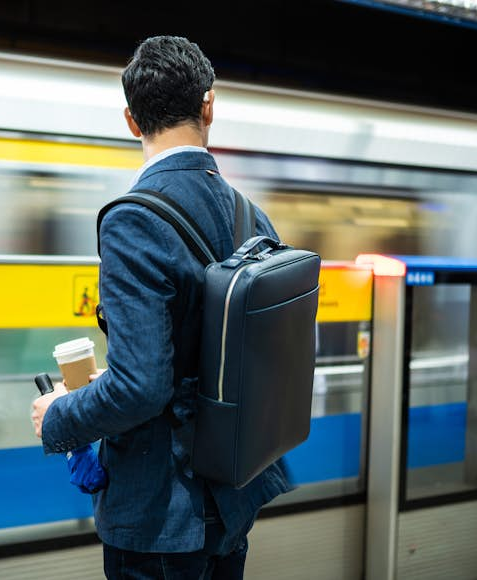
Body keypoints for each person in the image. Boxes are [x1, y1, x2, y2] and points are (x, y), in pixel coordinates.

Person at [31, 35, 293, 579]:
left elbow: (141, 388)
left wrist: (59, 417)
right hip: (231, 502)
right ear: (209, 105)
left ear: (131, 121)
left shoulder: (133, 222)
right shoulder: (252, 217)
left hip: (162, 523)